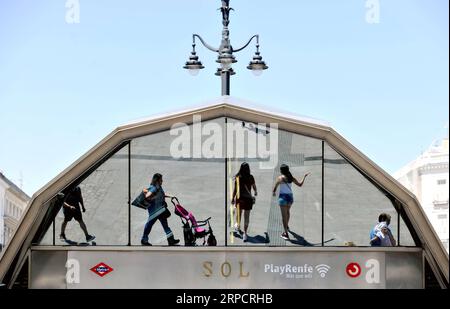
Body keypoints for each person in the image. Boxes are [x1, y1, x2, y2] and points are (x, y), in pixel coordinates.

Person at [272, 164, 309, 240]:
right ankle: (287, 226)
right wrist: (304, 177)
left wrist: (274, 193)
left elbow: (274, 188)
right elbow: (300, 184)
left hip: (283, 198)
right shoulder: (291, 178)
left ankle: (285, 233)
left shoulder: (280, 178)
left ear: (281, 171)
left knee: (283, 216)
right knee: (288, 212)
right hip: (290, 198)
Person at [141, 173, 180, 246]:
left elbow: (162, 194)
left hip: (160, 211)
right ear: (157, 180)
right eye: (161, 180)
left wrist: (171, 196)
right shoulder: (154, 188)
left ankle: (171, 240)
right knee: (149, 225)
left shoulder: (158, 187)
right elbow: (147, 195)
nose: (162, 181)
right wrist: (153, 197)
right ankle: (144, 240)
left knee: (165, 226)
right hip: (155, 211)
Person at [231, 162, 257, 242]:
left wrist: (232, 198)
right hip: (248, 199)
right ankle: (245, 234)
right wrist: (255, 191)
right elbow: (254, 186)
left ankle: (238, 226)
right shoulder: (251, 177)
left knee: (239, 214)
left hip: (240, 199)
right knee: (247, 217)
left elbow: (235, 189)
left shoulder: (238, 177)